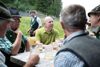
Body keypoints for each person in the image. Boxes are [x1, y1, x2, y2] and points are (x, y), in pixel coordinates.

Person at [0, 1, 39, 67]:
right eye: (8, 22)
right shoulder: (7, 33)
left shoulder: (3, 36)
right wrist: (31, 63)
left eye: (19, 20)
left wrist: (28, 54)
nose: (19, 22)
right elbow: (13, 51)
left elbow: (26, 41)